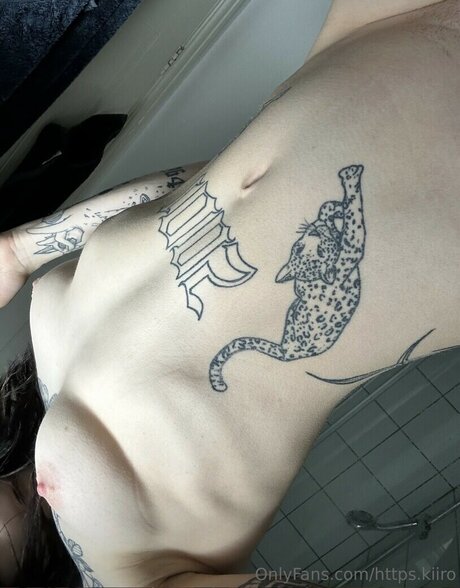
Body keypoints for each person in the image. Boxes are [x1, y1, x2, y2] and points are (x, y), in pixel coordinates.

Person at [0, 0, 459, 586]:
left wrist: (21, 250)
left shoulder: (42, 362)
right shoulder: (127, 573)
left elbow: (189, 206)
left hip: (365, 38)